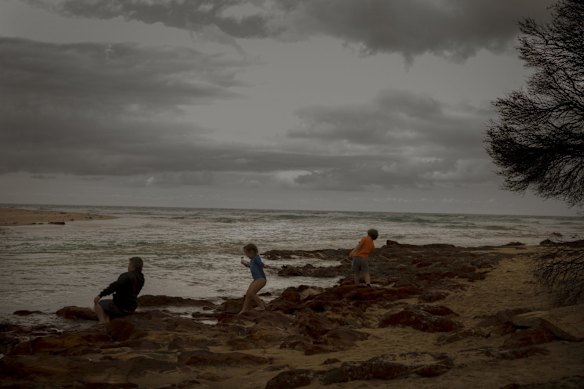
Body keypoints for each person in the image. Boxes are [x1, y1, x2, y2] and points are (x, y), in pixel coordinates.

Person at [94, 256, 145, 323]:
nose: (128, 266)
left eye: (129, 264)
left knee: (98, 304)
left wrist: (100, 295)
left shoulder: (126, 276)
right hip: (131, 308)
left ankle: (102, 323)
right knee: (110, 304)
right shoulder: (141, 278)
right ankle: (109, 321)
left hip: (121, 308)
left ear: (132, 266)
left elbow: (114, 287)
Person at [238, 243, 274, 315]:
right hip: (256, 279)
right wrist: (245, 263)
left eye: (246, 253)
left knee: (252, 293)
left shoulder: (256, 258)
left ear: (251, 251)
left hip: (261, 279)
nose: (246, 255)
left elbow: (260, 264)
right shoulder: (252, 260)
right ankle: (244, 309)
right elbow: (251, 266)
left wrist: (267, 267)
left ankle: (261, 307)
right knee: (248, 294)